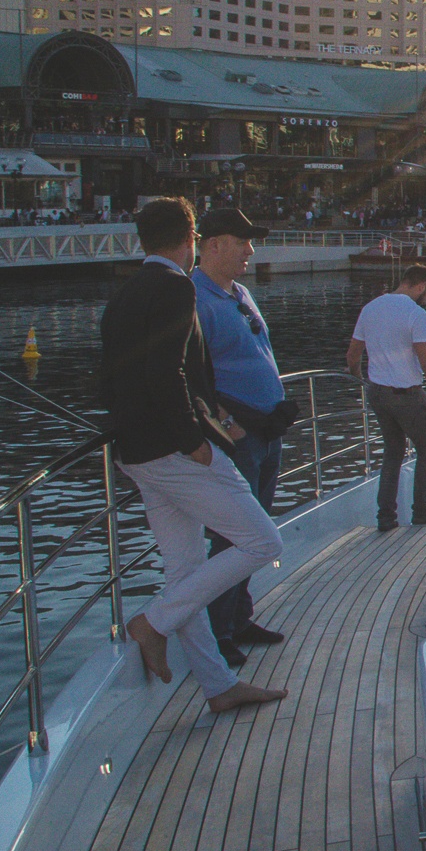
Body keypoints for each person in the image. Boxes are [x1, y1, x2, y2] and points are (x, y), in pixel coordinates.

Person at [97, 197, 285, 711]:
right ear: (190, 237)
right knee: (262, 540)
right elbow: (167, 372)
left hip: (135, 453)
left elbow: (112, 377)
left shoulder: (125, 294)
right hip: (175, 451)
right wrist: (195, 441)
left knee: (184, 572)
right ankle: (153, 622)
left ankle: (217, 684)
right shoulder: (177, 286)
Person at [190, 208, 292, 668]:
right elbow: (195, 375)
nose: (252, 250)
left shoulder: (241, 292)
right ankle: (217, 631)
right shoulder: (194, 298)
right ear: (213, 244)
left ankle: (240, 617)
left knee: (258, 529)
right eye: (243, 241)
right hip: (239, 437)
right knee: (234, 535)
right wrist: (229, 422)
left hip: (268, 431)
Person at [347, 265, 426, 529]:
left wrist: (361, 378)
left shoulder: (370, 308)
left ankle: (386, 517)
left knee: (392, 454)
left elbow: (352, 356)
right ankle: (421, 513)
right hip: (407, 395)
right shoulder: (416, 315)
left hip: (378, 393)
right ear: (421, 286)